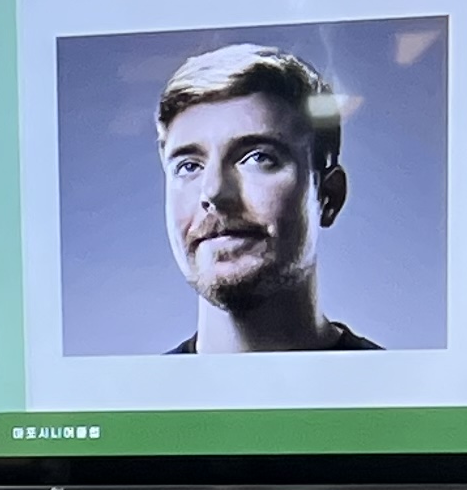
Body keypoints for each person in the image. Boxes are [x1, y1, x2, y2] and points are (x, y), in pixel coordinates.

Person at [153, 44, 381, 356]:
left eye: (258, 158)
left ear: (328, 196)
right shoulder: (131, 387)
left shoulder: (400, 383)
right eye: (189, 166)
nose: (214, 192)